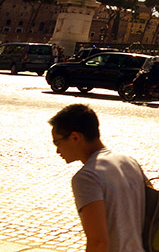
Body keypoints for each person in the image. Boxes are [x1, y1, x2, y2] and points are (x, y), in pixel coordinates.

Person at [49, 103, 146, 251]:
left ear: (75, 137)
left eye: (57, 142)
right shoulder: (129, 161)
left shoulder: (87, 177)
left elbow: (98, 242)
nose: (57, 151)